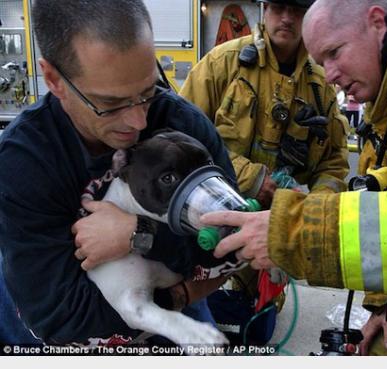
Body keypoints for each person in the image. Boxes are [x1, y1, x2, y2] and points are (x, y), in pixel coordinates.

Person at [201, 0, 387, 356]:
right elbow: (385, 200)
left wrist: (292, 231)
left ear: (376, 22)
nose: (329, 76)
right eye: (321, 61)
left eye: (334, 53)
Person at [0, 0, 234, 345]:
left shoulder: (183, 125)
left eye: (148, 92)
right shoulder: (24, 162)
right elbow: (63, 319)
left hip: (177, 325)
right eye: (110, 104)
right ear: (53, 79)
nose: (138, 121)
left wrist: (140, 234)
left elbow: (232, 245)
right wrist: (181, 293)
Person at [180, 0, 349, 208]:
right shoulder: (222, 63)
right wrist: (250, 178)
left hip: (280, 218)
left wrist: (314, 207)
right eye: (279, 7)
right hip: (217, 208)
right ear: (265, 9)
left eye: (297, 10)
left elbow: (334, 162)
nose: (287, 18)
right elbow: (183, 136)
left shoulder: (321, 85)